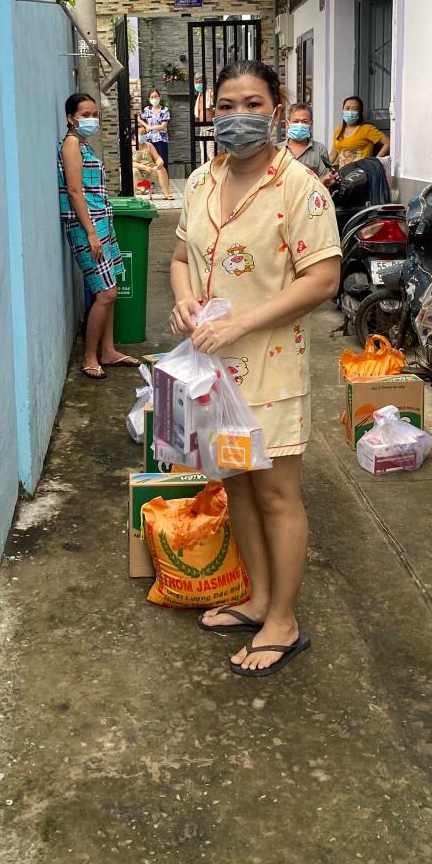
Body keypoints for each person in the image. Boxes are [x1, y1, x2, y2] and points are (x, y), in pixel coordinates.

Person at [170, 60, 341, 677]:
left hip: (270, 370)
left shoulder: (300, 187)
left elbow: (323, 279)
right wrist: (184, 300)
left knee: (275, 493)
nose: (237, 116)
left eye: (251, 104)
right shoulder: (201, 179)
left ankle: (284, 623)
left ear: (276, 110)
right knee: (237, 483)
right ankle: (260, 600)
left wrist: (241, 323)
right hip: (212, 371)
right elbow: (181, 257)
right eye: (226, 106)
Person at [58, 93, 140, 380]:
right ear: (71, 118)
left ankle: (108, 351)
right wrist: (91, 233)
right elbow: (74, 191)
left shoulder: (84, 144)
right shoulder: (71, 145)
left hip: (102, 223)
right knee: (105, 293)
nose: (92, 119)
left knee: (111, 287)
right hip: (86, 227)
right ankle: (89, 357)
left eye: (95, 114)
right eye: (85, 115)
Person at [329, 96, 390, 168]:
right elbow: (333, 153)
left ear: (360, 112)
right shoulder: (339, 130)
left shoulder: (367, 129)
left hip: (361, 172)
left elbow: (387, 143)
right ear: (343, 110)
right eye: (347, 108)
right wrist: (325, 168)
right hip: (343, 173)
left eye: (355, 109)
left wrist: (375, 162)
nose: (350, 111)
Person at [284, 102, 335, 185]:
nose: (300, 125)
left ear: (311, 124)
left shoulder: (320, 150)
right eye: (295, 121)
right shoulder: (277, 150)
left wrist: (325, 181)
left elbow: (324, 180)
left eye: (304, 121)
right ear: (287, 123)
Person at [139, 88, 170, 170]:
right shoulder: (147, 110)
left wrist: (150, 128)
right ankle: (152, 177)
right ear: (149, 99)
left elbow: (163, 125)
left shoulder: (164, 110)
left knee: (162, 161)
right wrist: (146, 126)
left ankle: (163, 177)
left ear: (159, 97)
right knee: (150, 161)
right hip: (149, 139)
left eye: (156, 96)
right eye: (152, 97)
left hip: (161, 139)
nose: (154, 98)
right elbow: (138, 118)